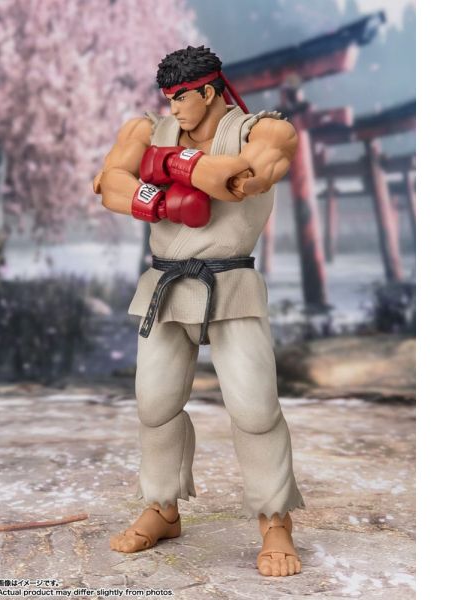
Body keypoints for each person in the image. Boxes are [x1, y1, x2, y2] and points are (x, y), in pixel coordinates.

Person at [93, 45, 304, 577]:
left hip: (230, 282)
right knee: (154, 404)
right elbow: (108, 184)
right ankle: (162, 507)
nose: (173, 108)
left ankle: (275, 519)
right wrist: (164, 195)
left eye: (181, 98)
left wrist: (171, 166)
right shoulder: (148, 130)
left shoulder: (263, 129)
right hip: (166, 282)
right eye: (168, 98)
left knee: (255, 408)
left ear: (208, 91)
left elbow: (244, 178)